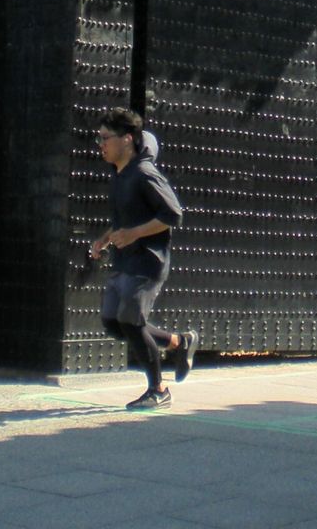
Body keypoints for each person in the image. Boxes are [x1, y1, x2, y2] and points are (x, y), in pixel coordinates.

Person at [89, 107, 198, 410]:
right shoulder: (119, 175)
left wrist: (135, 234)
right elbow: (125, 218)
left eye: (105, 138)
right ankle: (179, 342)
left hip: (148, 262)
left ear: (127, 139)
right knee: (114, 323)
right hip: (124, 260)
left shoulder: (144, 173)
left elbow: (173, 214)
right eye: (99, 138)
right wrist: (105, 238)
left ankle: (158, 390)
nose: (101, 144)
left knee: (130, 320)